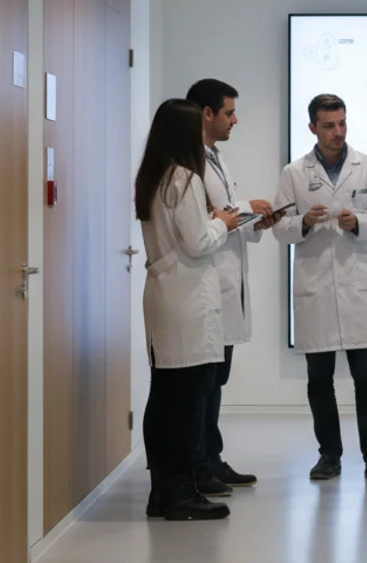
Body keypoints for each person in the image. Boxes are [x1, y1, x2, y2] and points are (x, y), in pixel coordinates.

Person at [271, 93, 367, 483]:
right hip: (315, 289)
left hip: (357, 287)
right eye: (328, 125)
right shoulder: (294, 173)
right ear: (312, 127)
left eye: (342, 123)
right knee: (319, 380)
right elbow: (279, 227)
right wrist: (305, 223)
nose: (337, 132)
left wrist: (358, 223)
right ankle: (329, 454)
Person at [135, 99, 239, 521]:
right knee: (186, 403)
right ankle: (182, 494)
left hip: (164, 295)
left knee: (163, 398)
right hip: (187, 299)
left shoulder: (154, 176)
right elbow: (198, 242)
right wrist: (223, 223)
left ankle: (163, 491)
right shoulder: (185, 179)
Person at [187, 78, 277, 497]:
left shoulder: (214, 157)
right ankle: (199, 464)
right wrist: (244, 208)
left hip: (226, 279)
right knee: (204, 383)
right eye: (229, 112)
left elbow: (223, 218)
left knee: (216, 379)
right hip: (204, 283)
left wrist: (255, 221)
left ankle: (212, 458)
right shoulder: (189, 162)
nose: (235, 120)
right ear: (207, 114)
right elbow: (208, 219)